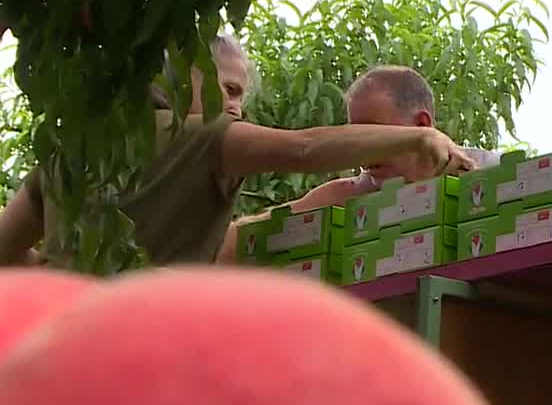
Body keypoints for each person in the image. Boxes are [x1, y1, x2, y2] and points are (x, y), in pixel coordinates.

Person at [0, 35, 475, 269]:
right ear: (181, 74)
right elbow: (302, 148)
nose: (236, 106)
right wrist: (417, 142)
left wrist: (58, 275)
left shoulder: (73, 152)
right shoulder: (206, 139)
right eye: (228, 88)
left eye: (240, 95)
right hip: (145, 355)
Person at [214, 65, 499, 264]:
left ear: (422, 125)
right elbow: (235, 243)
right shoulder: (344, 197)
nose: (361, 151)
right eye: (355, 136)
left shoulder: (494, 177)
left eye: (374, 133)